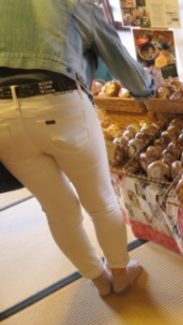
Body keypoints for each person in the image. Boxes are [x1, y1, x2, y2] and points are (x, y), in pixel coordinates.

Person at [0, 0, 154, 296]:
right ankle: (121, 274)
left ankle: (99, 280)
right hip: (58, 104)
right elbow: (118, 58)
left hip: (3, 118)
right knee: (101, 200)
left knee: (57, 210)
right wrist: (146, 87)